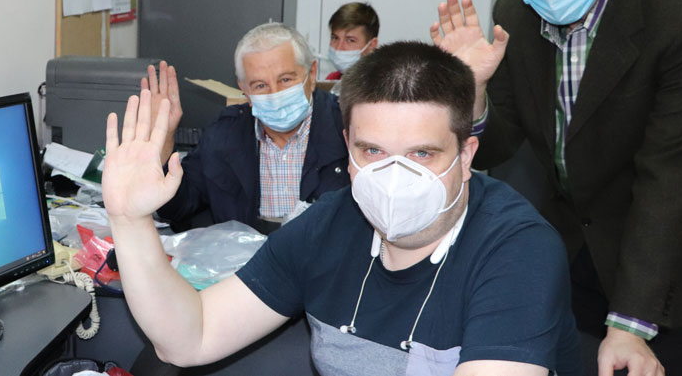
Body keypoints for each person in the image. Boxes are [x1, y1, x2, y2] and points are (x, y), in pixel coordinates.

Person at [102, 41, 581, 375]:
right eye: (373, 152)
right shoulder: (330, 223)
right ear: (347, 147)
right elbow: (192, 336)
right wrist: (129, 219)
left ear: (466, 155)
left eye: (421, 154)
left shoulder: (518, 250)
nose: (396, 178)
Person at [431, 0, 682, 376]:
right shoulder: (514, 9)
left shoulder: (681, 15)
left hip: (657, 263)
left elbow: (673, 175)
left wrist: (630, 323)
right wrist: (473, 89)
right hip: (566, 253)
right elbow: (499, 143)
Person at [145, 23, 348, 233]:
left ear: (312, 75)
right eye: (260, 85)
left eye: (285, 80)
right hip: (248, 261)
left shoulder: (348, 128)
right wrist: (164, 139)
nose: (274, 94)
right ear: (245, 91)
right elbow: (177, 209)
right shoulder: (224, 135)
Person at [325, 2, 379, 80]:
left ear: (372, 45)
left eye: (350, 40)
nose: (339, 48)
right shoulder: (333, 78)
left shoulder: (384, 85)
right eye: (335, 38)